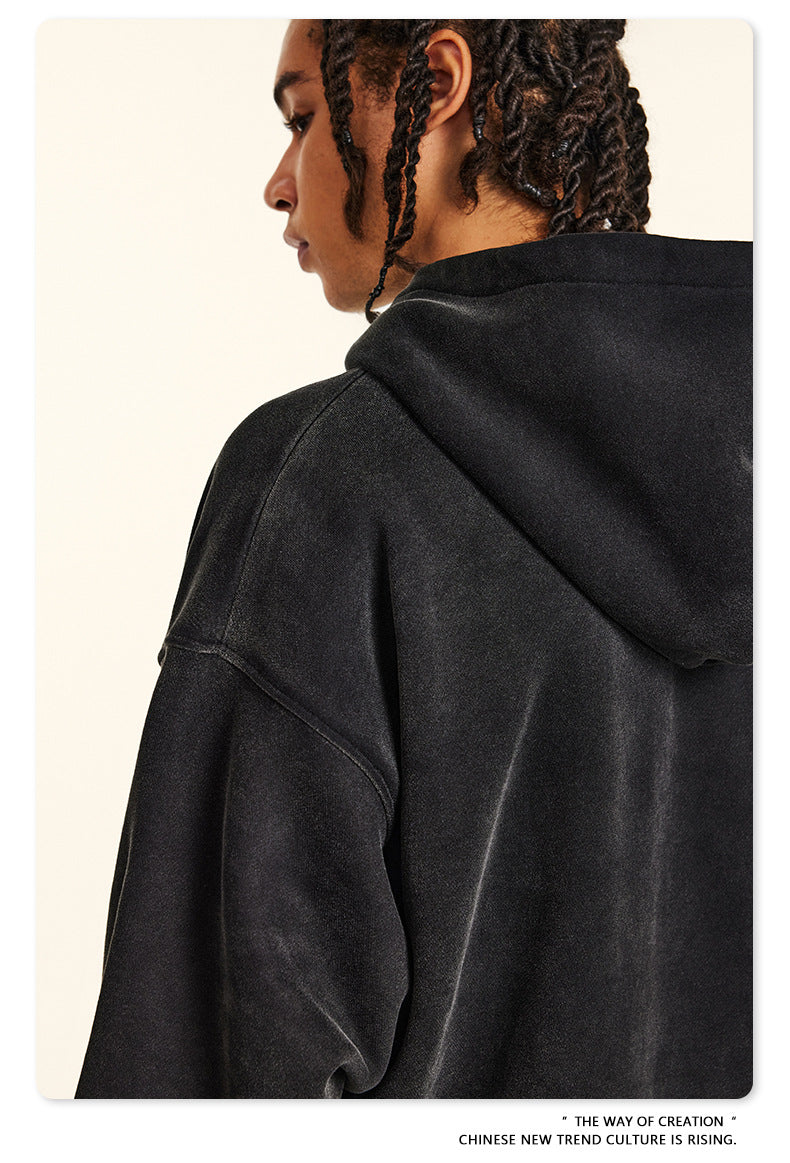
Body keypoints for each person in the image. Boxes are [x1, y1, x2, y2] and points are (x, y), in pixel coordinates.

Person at [75, 19, 751, 1099]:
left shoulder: (322, 476)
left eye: (304, 117)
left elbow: (213, 1065)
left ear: (436, 84)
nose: (278, 183)